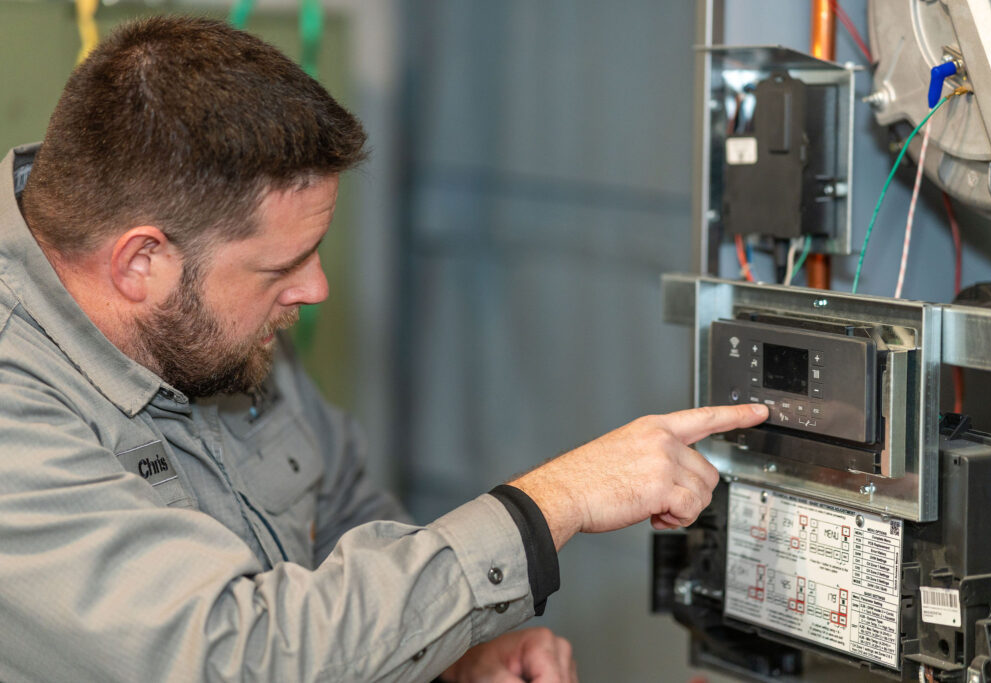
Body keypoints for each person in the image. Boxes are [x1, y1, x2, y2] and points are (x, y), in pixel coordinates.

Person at [0, 15, 769, 683]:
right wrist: (549, 506)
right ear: (141, 263)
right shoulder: (18, 409)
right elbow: (236, 658)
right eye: (281, 266)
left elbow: (339, 510)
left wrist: (445, 651)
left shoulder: (205, 323)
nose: (316, 289)